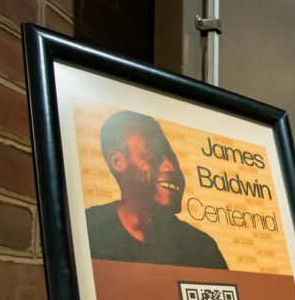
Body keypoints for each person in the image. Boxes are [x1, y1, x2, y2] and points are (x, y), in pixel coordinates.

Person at [86, 110, 228, 269]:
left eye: (172, 158)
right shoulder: (88, 230)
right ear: (118, 162)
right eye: (152, 157)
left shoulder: (202, 248)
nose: (171, 167)